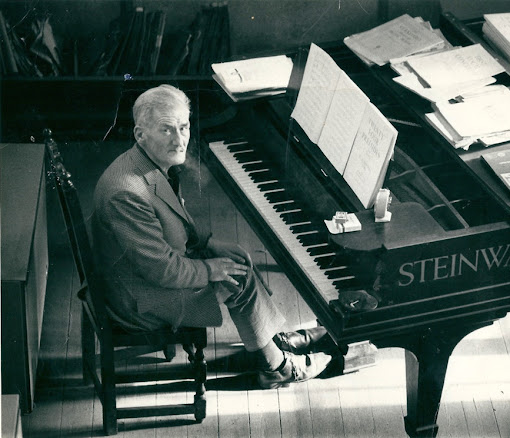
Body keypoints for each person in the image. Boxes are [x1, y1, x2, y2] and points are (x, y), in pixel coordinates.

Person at [92, 84, 331, 388]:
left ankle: (271, 337)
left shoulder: (144, 163)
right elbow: (162, 270)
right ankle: (279, 367)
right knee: (237, 278)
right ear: (140, 134)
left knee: (235, 260)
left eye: (184, 127)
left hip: (141, 278)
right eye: (166, 130)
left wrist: (207, 243)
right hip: (138, 300)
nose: (180, 140)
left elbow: (174, 219)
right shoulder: (126, 192)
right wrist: (211, 268)